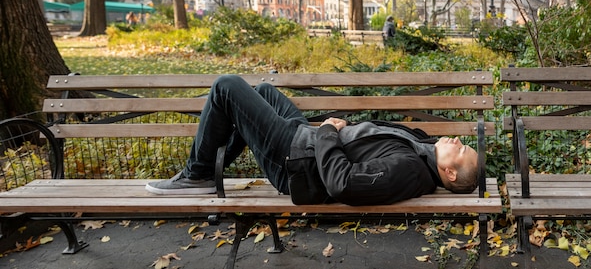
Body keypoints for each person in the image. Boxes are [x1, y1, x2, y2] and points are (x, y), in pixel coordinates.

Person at [146, 75, 479, 206]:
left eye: (461, 150)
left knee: (227, 87)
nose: (457, 140)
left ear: (449, 173)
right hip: (304, 142)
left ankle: (198, 173)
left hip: (295, 161)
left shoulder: (409, 171)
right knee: (263, 91)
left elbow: (342, 183)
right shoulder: (421, 153)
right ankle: (210, 172)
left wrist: (328, 131)